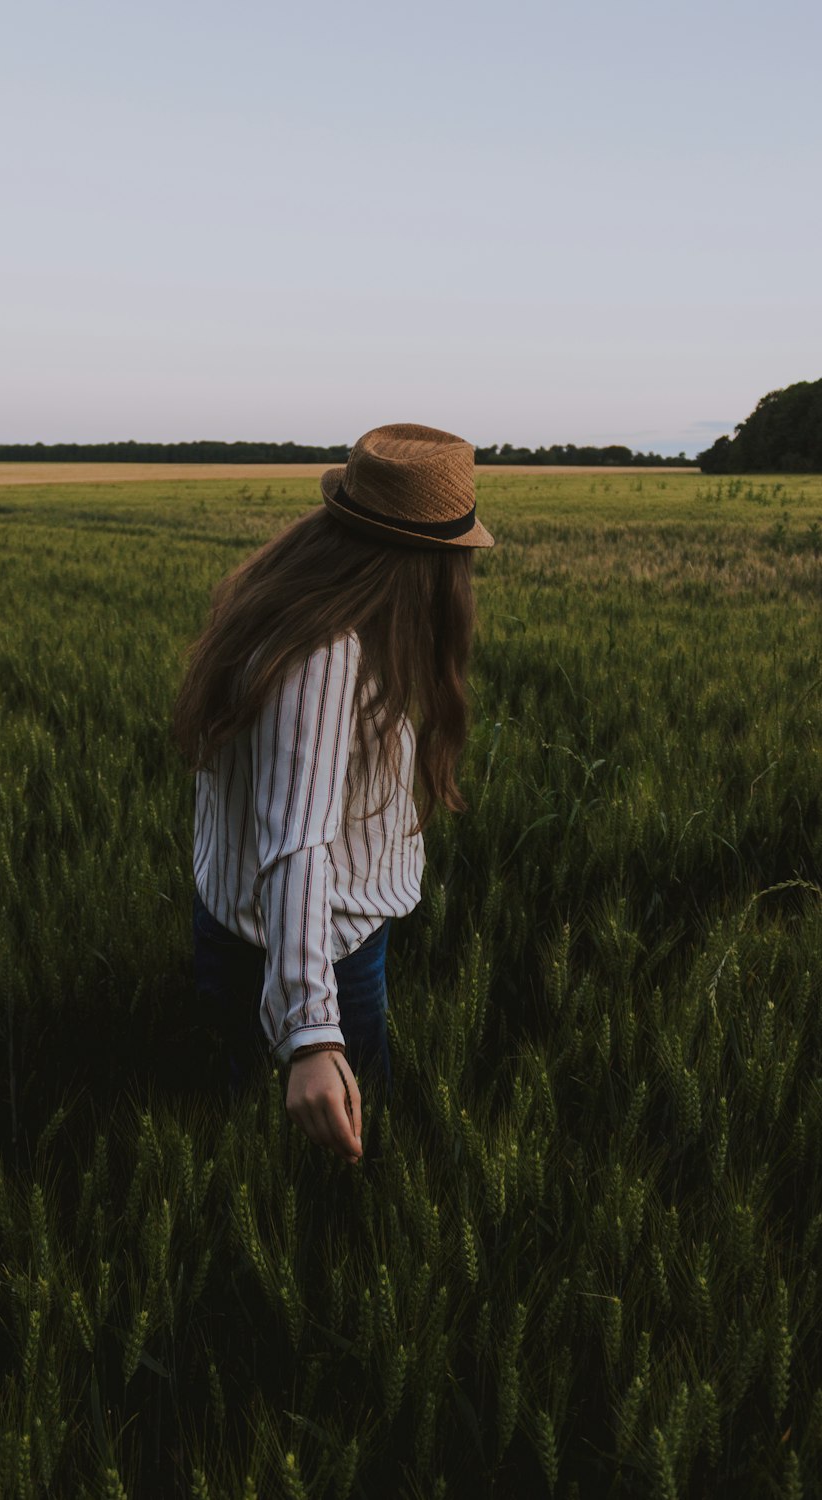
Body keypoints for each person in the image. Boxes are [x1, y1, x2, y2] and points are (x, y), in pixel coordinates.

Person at [172, 422, 493, 1163]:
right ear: (422, 564)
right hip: (316, 955)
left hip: (238, 928)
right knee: (338, 1169)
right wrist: (313, 1033)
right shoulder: (328, 651)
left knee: (240, 1147)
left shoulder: (286, 603)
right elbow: (298, 846)